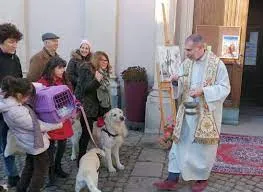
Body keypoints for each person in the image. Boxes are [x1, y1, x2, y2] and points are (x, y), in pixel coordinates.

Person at [153, 34, 231, 192]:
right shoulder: (187, 63)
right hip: (187, 111)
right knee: (178, 142)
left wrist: (204, 91)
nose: (186, 53)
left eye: (189, 50)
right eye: (185, 49)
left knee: (202, 147)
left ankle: (201, 179)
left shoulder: (217, 65)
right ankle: (172, 178)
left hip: (206, 113)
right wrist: (175, 81)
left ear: (200, 48)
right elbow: (180, 83)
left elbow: (225, 88)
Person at [0, 76, 62, 192]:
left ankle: (21, 188)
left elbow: (36, 86)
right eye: (28, 96)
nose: (29, 98)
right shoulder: (16, 111)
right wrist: (58, 124)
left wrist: (42, 87)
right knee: (40, 172)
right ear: (19, 95)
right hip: (35, 144)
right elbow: (37, 126)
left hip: (29, 142)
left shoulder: (10, 99)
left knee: (29, 166)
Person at [38, 56, 73, 184]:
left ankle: (58, 167)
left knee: (63, 144)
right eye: (60, 68)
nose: (62, 70)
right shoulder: (42, 82)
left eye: (63, 67)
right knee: (50, 148)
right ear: (52, 68)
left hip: (63, 118)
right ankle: (50, 173)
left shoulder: (63, 80)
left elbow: (70, 96)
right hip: (50, 120)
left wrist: (75, 103)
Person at [75, 51, 112, 166]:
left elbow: (105, 93)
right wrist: (96, 80)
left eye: (106, 60)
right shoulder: (86, 69)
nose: (105, 62)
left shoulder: (103, 73)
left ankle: (93, 155)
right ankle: (80, 160)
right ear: (96, 60)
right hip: (87, 107)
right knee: (86, 134)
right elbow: (84, 89)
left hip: (98, 108)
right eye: (102, 60)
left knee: (96, 133)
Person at [0, 23, 23, 187]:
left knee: (10, 141)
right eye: (11, 42)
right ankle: (12, 174)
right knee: (3, 143)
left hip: (12, 108)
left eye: (16, 42)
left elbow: (20, 79)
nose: (14, 45)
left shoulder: (15, 58)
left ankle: (13, 174)